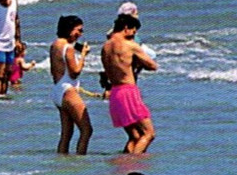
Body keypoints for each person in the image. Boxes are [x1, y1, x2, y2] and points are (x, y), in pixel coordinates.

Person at [102, 11, 157, 154]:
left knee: (134, 136)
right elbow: (152, 66)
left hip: (115, 93)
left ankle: (126, 165)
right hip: (128, 91)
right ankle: (134, 163)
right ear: (126, 28)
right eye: (133, 31)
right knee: (148, 134)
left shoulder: (105, 47)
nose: (133, 35)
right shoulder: (129, 45)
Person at [50, 14, 93, 155]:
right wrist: (83, 56)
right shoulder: (67, 47)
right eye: (78, 30)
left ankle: (62, 164)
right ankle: (81, 161)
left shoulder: (55, 44)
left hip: (57, 89)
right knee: (86, 130)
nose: (80, 34)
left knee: (66, 134)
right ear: (69, 29)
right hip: (68, 90)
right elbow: (75, 72)